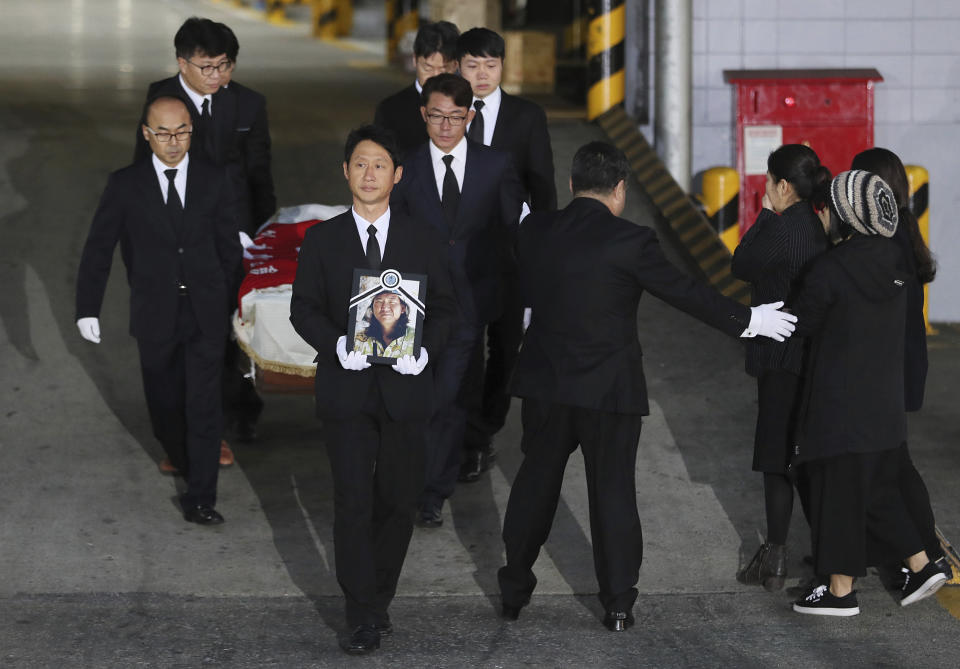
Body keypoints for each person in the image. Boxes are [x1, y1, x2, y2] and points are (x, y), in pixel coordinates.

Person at [497, 142, 798, 631]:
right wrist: (748, 320)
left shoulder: (535, 229)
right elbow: (686, 293)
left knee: (535, 484)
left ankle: (513, 592)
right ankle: (617, 604)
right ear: (620, 189)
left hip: (545, 383)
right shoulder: (631, 241)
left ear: (572, 184)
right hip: (609, 391)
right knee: (612, 493)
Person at [289, 125, 456, 654]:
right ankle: (360, 612)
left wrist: (424, 350)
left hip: (406, 392)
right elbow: (303, 309)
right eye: (360, 164)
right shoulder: (322, 238)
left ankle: (378, 600)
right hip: (348, 391)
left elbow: (450, 308)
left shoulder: (424, 237)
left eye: (379, 165)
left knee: (398, 501)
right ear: (345, 171)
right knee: (353, 501)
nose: (368, 174)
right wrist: (336, 343)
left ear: (397, 175)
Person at [75, 96, 241, 525]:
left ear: (192, 131)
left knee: (204, 406)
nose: (173, 141)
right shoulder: (125, 185)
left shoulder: (215, 179)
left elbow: (229, 248)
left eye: (182, 131)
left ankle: (202, 497)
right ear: (145, 134)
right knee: (166, 404)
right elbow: (99, 248)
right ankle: (183, 459)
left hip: (205, 309)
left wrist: (236, 302)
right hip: (155, 312)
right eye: (163, 132)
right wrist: (86, 308)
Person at [790, 170, 947, 616]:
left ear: (846, 215)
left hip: (839, 403)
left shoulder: (832, 268)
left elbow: (801, 322)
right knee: (869, 490)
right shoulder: (897, 260)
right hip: (883, 401)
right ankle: (912, 564)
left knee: (840, 490)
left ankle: (846, 591)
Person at [390, 73, 525, 528]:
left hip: (470, 301)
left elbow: (513, 234)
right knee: (413, 398)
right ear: (422, 115)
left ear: (470, 115)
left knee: (448, 399)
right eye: (436, 117)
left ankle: (432, 493)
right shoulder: (404, 167)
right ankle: (406, 480)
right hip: (412, 303)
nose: (445, 127)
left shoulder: (496, 165)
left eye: (454, 117)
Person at [456, 26, 558, 484]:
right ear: (458, 66)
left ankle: (483, 430)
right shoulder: (445, 111)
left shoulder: (526, 116)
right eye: (472, 65)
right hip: (457, 255)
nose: (481, 75)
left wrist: (543, 259)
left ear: (503, 68)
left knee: (505, 348)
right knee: (462, 344)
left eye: (490, 66)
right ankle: (462, 435)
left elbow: (543, 190)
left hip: (511, 255)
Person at [731, 144, 830, 591]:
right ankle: (826, 550)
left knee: (776, 457)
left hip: (779, 355)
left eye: (770, 181)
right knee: (803, 456)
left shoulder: (783, 227)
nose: (765, 188)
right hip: (811, 355)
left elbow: (740, 265)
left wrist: (766, 214)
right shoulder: (817, 223)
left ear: (783, 186)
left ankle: (774, 556)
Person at [849, 148, 951, 583]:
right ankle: (928, 553)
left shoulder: (883, 244)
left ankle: (921, 558)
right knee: (897, 462)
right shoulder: (904, 234)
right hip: (903, 366)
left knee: (886, 467)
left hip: (883, 372)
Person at [374, 21, 460, 157]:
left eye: (443, 69)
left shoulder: (469, 107)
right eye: (428, 68)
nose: (435, 77)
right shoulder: (389, 110)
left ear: (455, 65)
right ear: (414, 60)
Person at [354, 289, 416, 358]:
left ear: (403, 308)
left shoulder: (415, 338)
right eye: (379, 301)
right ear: (372, 309)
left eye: (392, 301)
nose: (385, 307)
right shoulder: (357, 338)